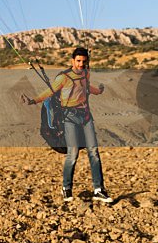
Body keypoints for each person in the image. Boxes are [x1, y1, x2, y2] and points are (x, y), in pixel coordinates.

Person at [22, 46, 112, 204]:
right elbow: (49, 92)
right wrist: (32, 101)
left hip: (85, 117)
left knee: (94, 152)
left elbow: (86, 88)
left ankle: (99, 189)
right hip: (69, 117)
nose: (81, 64)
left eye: (84, 61)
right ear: (72, 61)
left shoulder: (86, 73)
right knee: (73, 153)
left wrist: (99, 91)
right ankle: (66, 187)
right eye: (78, 61)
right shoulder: (63, 78)